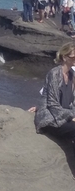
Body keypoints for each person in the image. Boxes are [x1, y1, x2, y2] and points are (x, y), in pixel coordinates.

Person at [33, 42, 75, 176]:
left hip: (64, 116)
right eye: (74, 57)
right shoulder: (54, 73)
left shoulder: (73, 75)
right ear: (64, 57)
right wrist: (71, 116)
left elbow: (72, 103)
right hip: (51, 118)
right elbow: (52, 104)